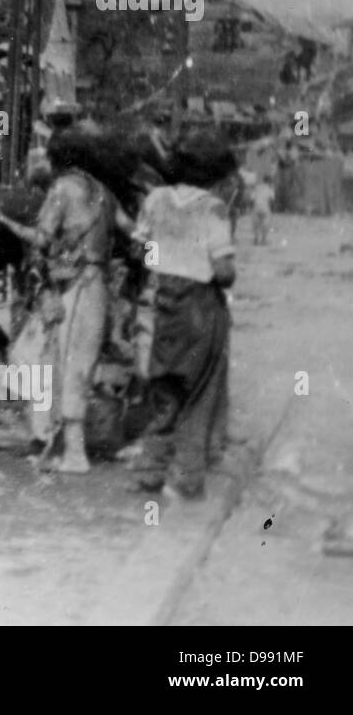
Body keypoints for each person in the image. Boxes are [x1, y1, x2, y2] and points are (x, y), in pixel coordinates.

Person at [0, 129, 124, 472]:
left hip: (74, 287)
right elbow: (137, 233)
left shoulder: (64, 188)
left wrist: (4, 223)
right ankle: (61, 443)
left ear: (58, 159)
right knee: (76, 364)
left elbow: (42, 238)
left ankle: (74, 454)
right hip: (100, 287)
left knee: (57, 364)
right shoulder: (105, 192)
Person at [130, 135, 237, 500]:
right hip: (201, 306)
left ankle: (150, 469)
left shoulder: (155, 199)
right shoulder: (214, 208)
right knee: (200, 392)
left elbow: (138, 248)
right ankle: (186, 478)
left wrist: (168, 258)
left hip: (164, 303)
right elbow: (224, 272)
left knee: (165, 389)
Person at [251, 173, 276, 246]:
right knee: (265, 223)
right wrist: (272, 209)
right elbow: (272, 200)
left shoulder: (257, 187)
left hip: (256, 206)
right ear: (269, 181)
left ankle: (256, 239)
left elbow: (252, 199)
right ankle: (263, 240)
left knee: (255, 224)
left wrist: (251, 207)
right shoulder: (270, 189)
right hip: (265, 207)